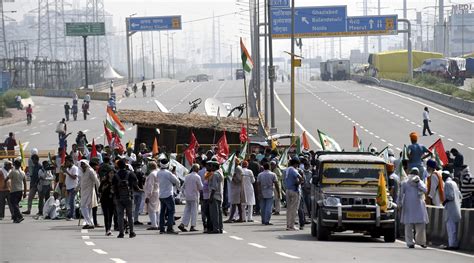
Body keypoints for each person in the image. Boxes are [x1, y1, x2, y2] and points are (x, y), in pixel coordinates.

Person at [399, 167, 429, 248]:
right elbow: (426, 190)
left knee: (408, 225)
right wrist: (419, 183)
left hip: (409, 205)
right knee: (420, 225)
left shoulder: (405, 182)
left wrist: (399, 204)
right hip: (418, 205)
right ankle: (421, 241)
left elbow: (400, 194)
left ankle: (410, 242)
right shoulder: (420, 182)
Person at [112, 159, 139, 238]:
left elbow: (113, 186)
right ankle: (131, 232)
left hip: (118, 197)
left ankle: (121, 233)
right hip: (129, 197)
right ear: (126, 165)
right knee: (130, 215)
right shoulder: (130, 174)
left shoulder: (116, 175)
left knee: (120, 216)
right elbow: (136, 183)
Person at [157, 158, 180, 234]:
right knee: (171, 211)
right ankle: (170, 228)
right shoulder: (168, 173)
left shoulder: (158, 173)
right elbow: (177, 181)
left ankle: (162, 228)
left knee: (162, 212)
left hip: (161, 195)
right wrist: (177, 188)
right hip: (168, 195)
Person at [179, 164, 203, 232]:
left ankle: (183, 224)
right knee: (194, 212)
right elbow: (201, 187)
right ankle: (192, 226)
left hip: (188, 196)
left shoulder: (187, 176)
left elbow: (183, 186)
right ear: (197, 169)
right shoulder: (197, 177)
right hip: (194, 196)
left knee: (187, 211)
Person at [442, 171, 462, 250]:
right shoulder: (454, 183)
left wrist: (444, 202)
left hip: (450, 209)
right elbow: (460, 195)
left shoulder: (447, 183)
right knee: (454, 228)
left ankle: (452, 245)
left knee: (451, 228)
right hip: (456, 208)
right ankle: (454, 244)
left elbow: (450, 196)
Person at [79, 160, 100, 229]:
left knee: (83, 206)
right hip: (83, 191)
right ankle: (90, 223)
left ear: (86, 164)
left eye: (83, 164)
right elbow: (81, 181)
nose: (82, 165)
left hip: (89, 191)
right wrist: (76, 188)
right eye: (81, 164)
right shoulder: (82, 171)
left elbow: (96, 181)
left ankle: (88, 222)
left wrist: (99, 190)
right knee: (87, 207)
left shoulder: (90, 171)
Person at [285, 156, 304, 231]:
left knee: (289, 209)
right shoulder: (294, 170)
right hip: (294, 190)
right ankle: (291, 226)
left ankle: (288, 224)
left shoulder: (287, 170)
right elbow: (300, 178)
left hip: (288, 190)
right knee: (294, 209)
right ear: (296, 164)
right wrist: (299, 183)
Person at [225, 159, 245, 223]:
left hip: (237, 188)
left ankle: (231, 218)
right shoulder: (235, 168)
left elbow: (239, 180)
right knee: (238, 204)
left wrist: (233, 177)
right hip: (234, 188)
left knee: (234, 204)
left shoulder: (238, 169)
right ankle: (241, 218)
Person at [208, 158, 224, 234]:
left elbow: (214, 187)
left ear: (214, 167)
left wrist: (211, 197)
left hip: (214, 195)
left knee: (214, 214)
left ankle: (216, 228)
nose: (210, 167)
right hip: (220, 195)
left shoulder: (215, 174)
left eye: (211, 166)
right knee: (219, 213)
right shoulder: (220, 173)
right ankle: (220, 228)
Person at [99, 169, 115, 236]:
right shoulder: (104, 181)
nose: (111, 175)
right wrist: (104, 188)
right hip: (105, 200)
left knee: (111, 215)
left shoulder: (115, 181)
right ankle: (107, 230)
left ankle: (109, 229)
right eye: (110, 173)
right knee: (106, 215)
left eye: (112, 173)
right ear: (108, 174)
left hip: (112, 200)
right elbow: (99, 190)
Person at [144, 161, 160, 231]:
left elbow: (150, 185)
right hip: (158, 192)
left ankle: (154, 225)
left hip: (153, 193)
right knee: (157, 209)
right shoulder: (158, 173)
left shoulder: (152, 174)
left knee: (151, 210)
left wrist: (148, 196)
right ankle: (157, 223)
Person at [63, 156, 79, 220]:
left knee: (72, 202)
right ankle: (70, 214)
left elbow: (74, 177)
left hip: (74, 187)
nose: (66, 163)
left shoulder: (74, 168)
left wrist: (67, 172)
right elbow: (67, 178)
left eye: (67, 162)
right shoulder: (68, 169)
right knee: (69, 202)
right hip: (68, 187)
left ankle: (72, 215)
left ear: (70, 161)